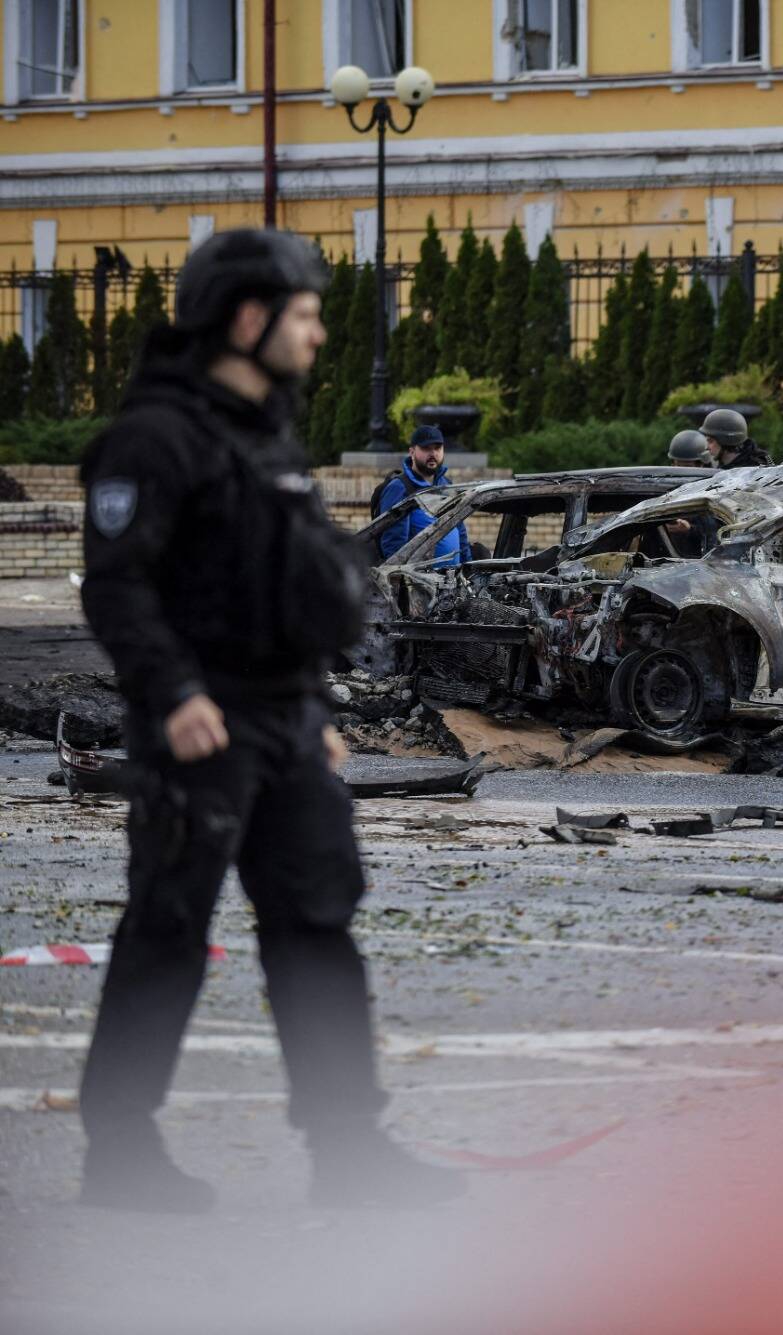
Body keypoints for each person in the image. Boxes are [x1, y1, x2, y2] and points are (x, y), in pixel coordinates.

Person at [76, 229, 465, 1212]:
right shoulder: (153, 438)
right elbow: (118, 591)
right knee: (168, 926)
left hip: (285, 721)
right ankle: (118, 1151)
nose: (318, 333)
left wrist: (312, 706)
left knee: (318, 920)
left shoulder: (265, 435)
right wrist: (174, 697)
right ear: (247, 321)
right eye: (302, 314)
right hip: (196, 723)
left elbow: (280, 586)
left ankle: (348, 1148)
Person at [373, 423, 470, 564]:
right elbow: (393, 545)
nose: (433, 454)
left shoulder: (447, 485)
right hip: (420, 581)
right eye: (426, 448)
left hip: (452, 581)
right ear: (412, 452)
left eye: (437, 448)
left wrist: (469, 569)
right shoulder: (400, 487)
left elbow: (460, 532)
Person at [700, 407, 771, 469]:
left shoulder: (755, 469)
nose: (707, 447)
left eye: (710, 441)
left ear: (725, 441)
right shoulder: (724, 464)